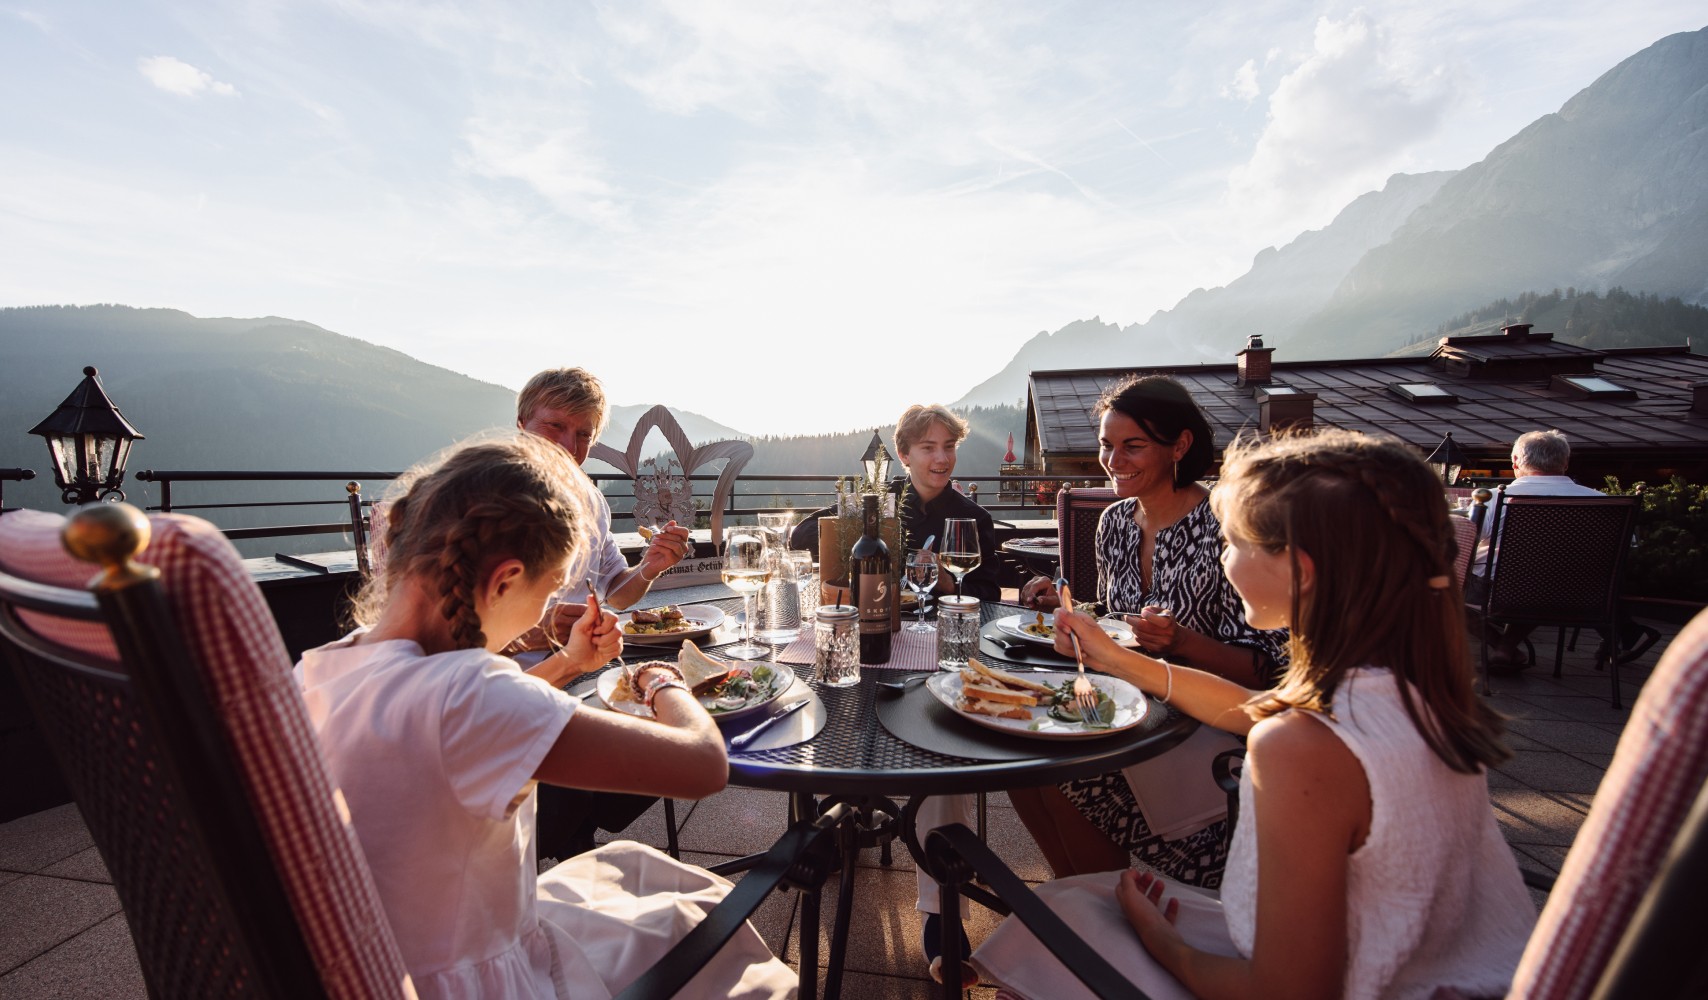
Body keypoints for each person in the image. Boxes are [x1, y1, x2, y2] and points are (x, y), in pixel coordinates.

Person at [972, 429, 1536, 1000]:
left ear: (1301, 569)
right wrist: (1115, 657)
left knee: (1054, 925)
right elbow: (1250, 708)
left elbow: (1283, 991)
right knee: (1073, 900)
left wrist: (1159, 938)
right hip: (1446, 969)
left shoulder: (1300, 749)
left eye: (1233, 542)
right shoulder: (1413, 692)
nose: (1223, 557)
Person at [295, 435, 794, 1000]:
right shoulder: (473, 697)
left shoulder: (323, 668)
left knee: (637, 869)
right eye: (550, 590)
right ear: (506, 580)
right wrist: (664, 683)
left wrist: (570, 662)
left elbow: (470, 725)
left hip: (391, 963)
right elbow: (704, 768)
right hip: (491, 981)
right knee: (690, 917)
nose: (547, 610)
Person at [1011, 376, 1286, 887]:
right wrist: (1066, 606)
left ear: (1179, 445)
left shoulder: (1227, 527)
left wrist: (1184, 643)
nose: (1114, 461)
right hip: (1128, 703)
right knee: (1024, 765)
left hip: (1208, 719)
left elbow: (1266, 667)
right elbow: (1119, 616)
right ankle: (1080, 903)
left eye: (1133, 446)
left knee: (1069, 771)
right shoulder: (1114, 522)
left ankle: (1108, 915)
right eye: (1106, 446)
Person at [514, 368, 693, 859]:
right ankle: (561, 847)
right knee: (665, 738)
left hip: (583, 673)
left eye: (584, 434)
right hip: (521, 686)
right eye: (555, 427)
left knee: (688, 704)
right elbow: (452, 631)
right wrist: (536, 632)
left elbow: (617, 589)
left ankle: (581, 834)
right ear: (522, 423)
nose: (570, 446)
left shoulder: (590, 498)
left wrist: (651, 568)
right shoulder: (493, 499)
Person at [789, 404, 1000, 602]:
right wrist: (867, 541)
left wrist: (949, 584)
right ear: (904, 455)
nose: (943, 459)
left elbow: (990, 595)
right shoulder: (880, 501)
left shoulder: (976, 519)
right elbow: (800, 536)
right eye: (928, 448)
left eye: (949, 447)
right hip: (879, 621)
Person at [1468, 429, 1631, 670]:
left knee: (1436, 590)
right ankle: (1505, 649)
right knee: (1541, 581)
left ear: (1514, 461)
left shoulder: (1493, 498)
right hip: (1578, 594)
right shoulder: (1602, 500)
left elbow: (1466, 543)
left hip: (1503, 590)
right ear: (1565, 462)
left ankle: (1500, 644)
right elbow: (1625, 549)